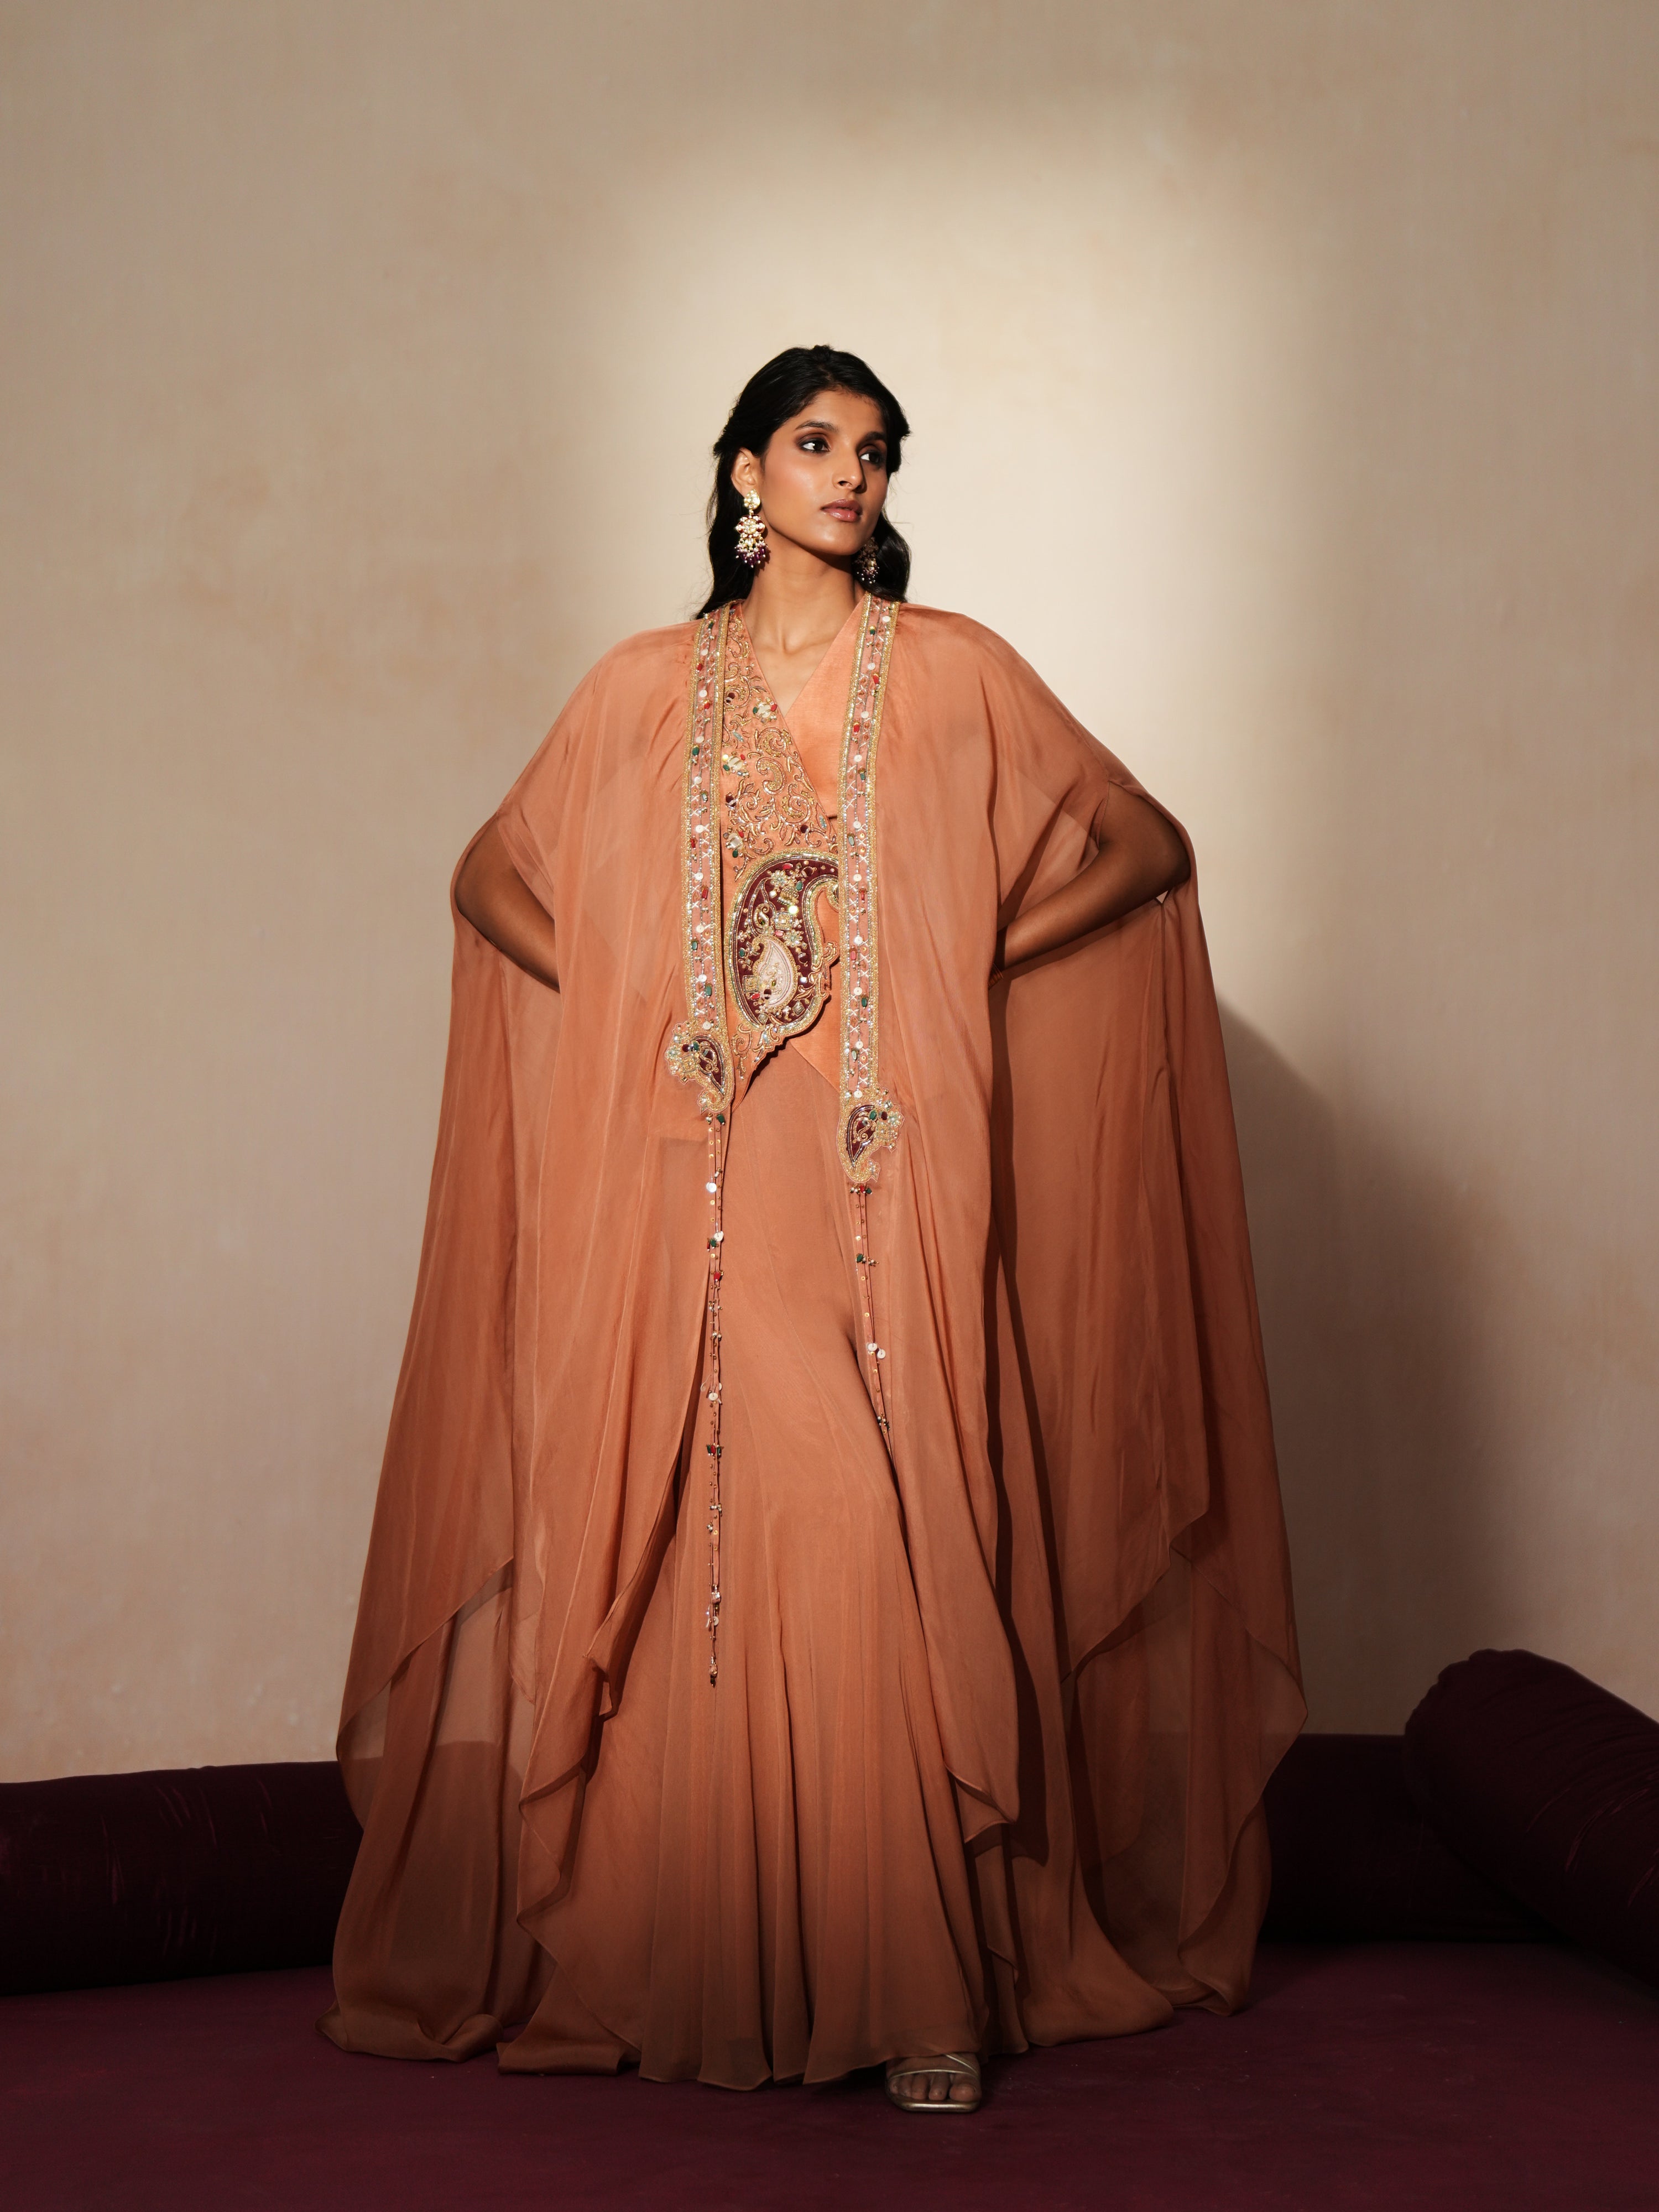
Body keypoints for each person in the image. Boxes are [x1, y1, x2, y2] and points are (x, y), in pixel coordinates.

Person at [321, 346, 1304, 2113]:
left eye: (875, 453)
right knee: (703, 1552)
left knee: (879, 1532)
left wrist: (971, 961)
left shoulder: (955, 677)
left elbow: (1146, 845)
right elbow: (489, 875)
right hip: (696, 1194)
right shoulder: (641, 693)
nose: (851, 478)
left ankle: (918, 1981)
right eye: (816, 445)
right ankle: (686, 1962)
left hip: (889, 1185)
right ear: (742, 474)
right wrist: (635, 993)